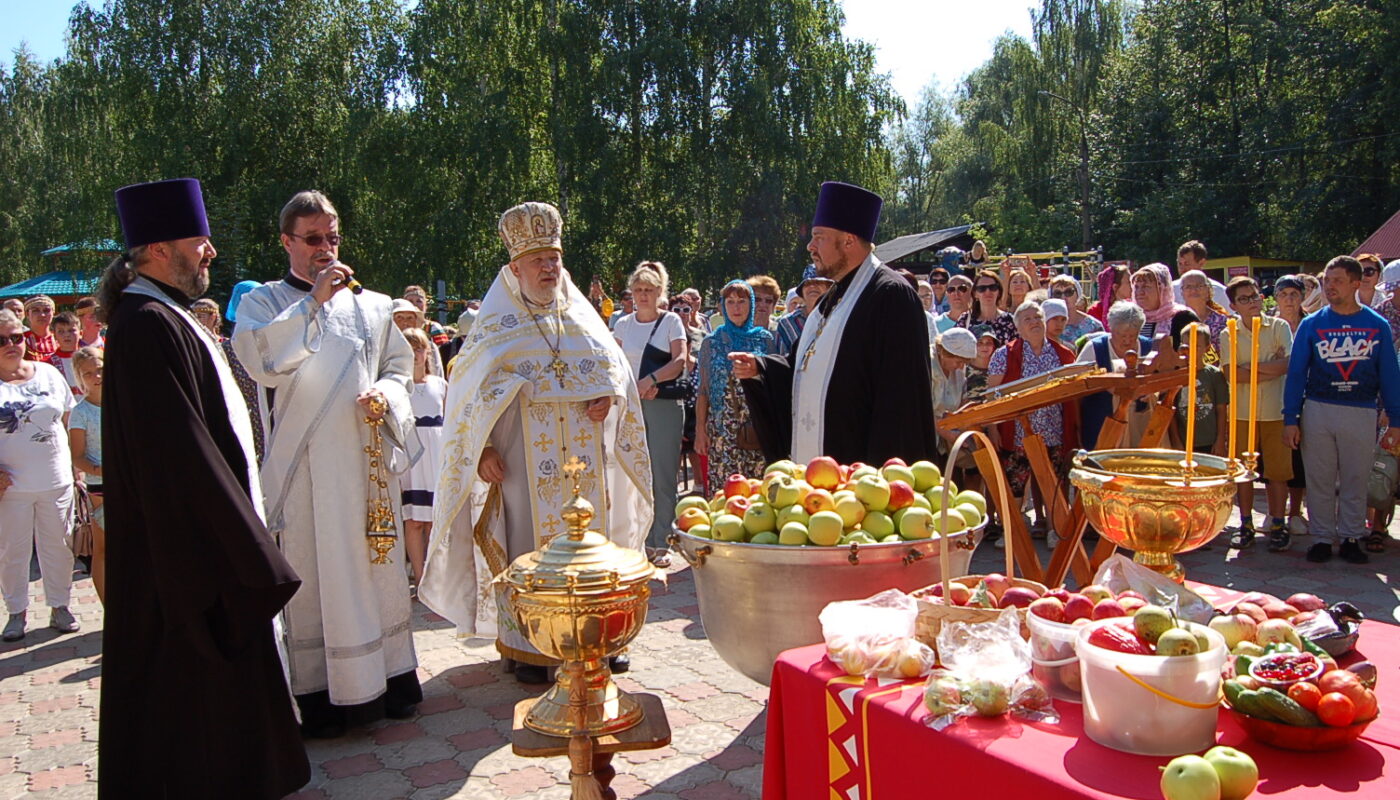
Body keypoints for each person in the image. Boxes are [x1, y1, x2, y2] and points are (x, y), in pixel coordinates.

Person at [96, 178, 308, 797]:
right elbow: (181, 452)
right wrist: (246, 546)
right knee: (190, 685)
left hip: (195, 539)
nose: (210, 250)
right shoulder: (147, 324)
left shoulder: (163, 316)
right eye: (200, 239)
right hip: (186, 554)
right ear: (159, 248)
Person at [418, 201, 651, 685]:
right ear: (515, 269)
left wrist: (607, 399)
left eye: (555, 259)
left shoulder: (585, 323)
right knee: (527, 546)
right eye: (538, 260)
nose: (549, 268)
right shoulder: (493, 332)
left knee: (594, 548)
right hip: (521, 465)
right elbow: (466, 402)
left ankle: (598, 641)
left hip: (586, 465)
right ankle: (528, 645)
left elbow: (617, 379)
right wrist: (480, 451)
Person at [233, 189, 423, 736]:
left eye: (332, 237)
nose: (325, 248)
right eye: (313, 239)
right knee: (317, 577)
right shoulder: (264, 303)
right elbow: (262, 360)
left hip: (364, 464)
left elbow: (397, 365)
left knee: (375, 574)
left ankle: (390, 681)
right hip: (307, 472)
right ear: (287, 242)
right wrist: (313, 303)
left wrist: (387, 396)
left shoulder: (374, 304)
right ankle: (321, 698)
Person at [734, 182, 937, 465]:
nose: (810, 246)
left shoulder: (891, 295)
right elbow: (805, 366)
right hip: (823, 468)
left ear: (849, 241)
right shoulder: (833, 298)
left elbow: (901, 399)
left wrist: (884, 477)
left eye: (819, 237)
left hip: (862, 467)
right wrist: (762, 369)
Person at [1283, 256, 1400, 565]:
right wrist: (1290, 418)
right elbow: (1296, 374)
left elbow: (1389, 374)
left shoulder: (1377, 325)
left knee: (1355, 477)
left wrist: (1396, 419)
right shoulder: (1312, 324)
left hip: (1361, 409)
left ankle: (1351, 536)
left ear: (1355, 283)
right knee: (1319, 477)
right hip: (1319, 407)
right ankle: (1321, 537)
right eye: (1327, 280)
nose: (1329, 286)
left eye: (1337, 280)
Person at [0, 308, 77, 642]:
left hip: (56, 480)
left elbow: (68, 421)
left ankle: (60, 606)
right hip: (10, 489)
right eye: (1, 340)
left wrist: (76, 471)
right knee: (11, 552)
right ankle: (16, 612)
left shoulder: (48, 374)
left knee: (59, 547)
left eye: (16, 337)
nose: (11, 344)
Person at [613, 262, 687, 562]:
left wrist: (652, 380)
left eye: (649, 290)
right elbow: (612, 364)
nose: (643, 295)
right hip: (629, 406)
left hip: (663, 405)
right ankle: (637, 539)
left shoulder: (671, 321)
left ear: (660, 292)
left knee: (662, 473)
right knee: (631, 473)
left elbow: (680, 359)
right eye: (638, 290)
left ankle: (663, 539)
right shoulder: (621, 325)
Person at [987, 302, 1079, 536]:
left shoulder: (1064, 353)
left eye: (1037, 317)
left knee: (1053, 485)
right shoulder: (1003, 354)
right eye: (1027, 319)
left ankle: (1054, 532)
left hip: (1053, 432)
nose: (1034, 322)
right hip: (1016, 434)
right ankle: (1012, 534)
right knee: (1015, 487)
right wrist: (994, 429)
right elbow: (992, 397)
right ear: (1018, 327)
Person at [1219, 276, 1293, 551]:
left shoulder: (1279, 326)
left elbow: (1287, 363)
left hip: (1275, 410)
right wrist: (1265, 367)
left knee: (1278, 472)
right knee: (1243, 472)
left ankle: (1277, 523)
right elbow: (1230, 374)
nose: (1252, 302)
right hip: (1241, 412)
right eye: (1244, 299)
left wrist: (1249, 369)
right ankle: (1246, 522)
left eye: (1254, 296)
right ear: (1234, 305)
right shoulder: (1229, 332)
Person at [697, 280, 772, 490]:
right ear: (722, 306)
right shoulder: (711, 343)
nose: (736, 307)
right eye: (730, 302)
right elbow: (703, 390)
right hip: (722, 427)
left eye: (742, 301)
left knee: (757, 489)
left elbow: (773, 382)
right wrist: (700, 430)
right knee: (725, 490)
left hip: (755, 424)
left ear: (752, 305)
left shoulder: (764, 339)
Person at [399, 327, 447, 589]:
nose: (415, 354)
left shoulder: (440, 384)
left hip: (437, 455)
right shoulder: (398, 387)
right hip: (412, 456)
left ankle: (438, 581)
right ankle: (420, 580)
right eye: (409, 348)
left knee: (435, 520)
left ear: (428, 351)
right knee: (415, 520)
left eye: (419, 347)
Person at [1076, 302, 1153, 448]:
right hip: (1102, 422)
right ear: (1111, 328)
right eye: (1121, 335)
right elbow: (1078, 386)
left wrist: (1151, 391)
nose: (1127, 340)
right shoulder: (1095, 348)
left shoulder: (1149, 348)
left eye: (1132, 335)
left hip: (1140, 422)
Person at [1270, 274, 1310, 536]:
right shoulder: (1268, 325)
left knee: (1297, 456)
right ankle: (1276, 511)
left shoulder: (1310, 324)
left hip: (1304, 397)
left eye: (1294, 294)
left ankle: (1295, 511)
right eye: (1283, 294)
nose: (1288, 299)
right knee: (1274, 458)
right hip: (1273, 397)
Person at [68, 346, 105, 602]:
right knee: (104, 550)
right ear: (80, 378)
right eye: (88, 373)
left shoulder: (125, 401)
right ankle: (109, 610)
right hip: (100, 487)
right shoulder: (80, 413)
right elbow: (77, 455)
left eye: (100, 369)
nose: (96, 376)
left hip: (133, 482)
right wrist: (100, 470)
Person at [1171, 323, 1228, 460]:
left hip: (1209, 442)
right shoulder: (1174, 375)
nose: (1191, 351)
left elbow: (1221, 409)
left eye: (1196, 346)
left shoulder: (1214, 375)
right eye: (1187, 346)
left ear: (1207, 348)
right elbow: (1171, 411)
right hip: (1184, 442)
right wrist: (1176, 441)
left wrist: (1220, 440)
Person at [776, 276, 834, 356]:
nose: (812, 286)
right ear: (802, 292)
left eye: (818, 283)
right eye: (807, 284)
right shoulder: (787, 322)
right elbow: (782, 360)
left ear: (829, 288)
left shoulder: (837, 317)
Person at [1179, 269, 1232, 353]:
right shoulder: (1175, 320)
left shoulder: (1222, 321)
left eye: (1199, 286)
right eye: (1188, 287)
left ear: (1208, 290)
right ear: (1182, 292)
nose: (1193, 290)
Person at [1131, 263, 1188, 341]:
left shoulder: (1183, 318)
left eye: (1146, 286)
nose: (1139, 292)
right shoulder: (1131, 319)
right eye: (1136, 287)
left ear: (1163, 289)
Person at [959, 270, 1017, 345]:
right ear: (975, 294)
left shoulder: (1010, 321)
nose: (988, 292)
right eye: (982, 288)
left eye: (992, 287)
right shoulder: (965, 320)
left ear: (999, 292)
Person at [391, 298, 445, 377]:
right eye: (399, 317)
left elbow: (437, 375)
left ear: (416, 321)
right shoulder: (384, 347)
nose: (405, 322)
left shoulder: (429, 347)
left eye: (410, 318)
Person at [1048, 275, 1103, 345]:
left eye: (1068, 292)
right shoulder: (1045, 326)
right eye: (1057, 293)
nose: (1063, 297)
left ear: (1078, 294)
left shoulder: (1094, 326)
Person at [1173, 240, 1229, 308]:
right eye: (1180, 263)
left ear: (1201, 263)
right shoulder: (1170, 290)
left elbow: (1229, 317)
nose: (1182, 268)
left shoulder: (1220, 292)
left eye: (1187, 264)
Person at [48, 311, 83, 396]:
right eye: (61, 331)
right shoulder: (49, 363)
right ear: (54, 335)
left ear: (81, 333)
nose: (66, 335)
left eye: (71, 330)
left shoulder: (89, 358)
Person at [22, 295, 57, 362]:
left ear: (53, 313)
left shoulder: (61, 337)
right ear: (27, 314)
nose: (42, 315)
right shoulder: (20, 340)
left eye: (46, 310)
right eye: (36, 311)